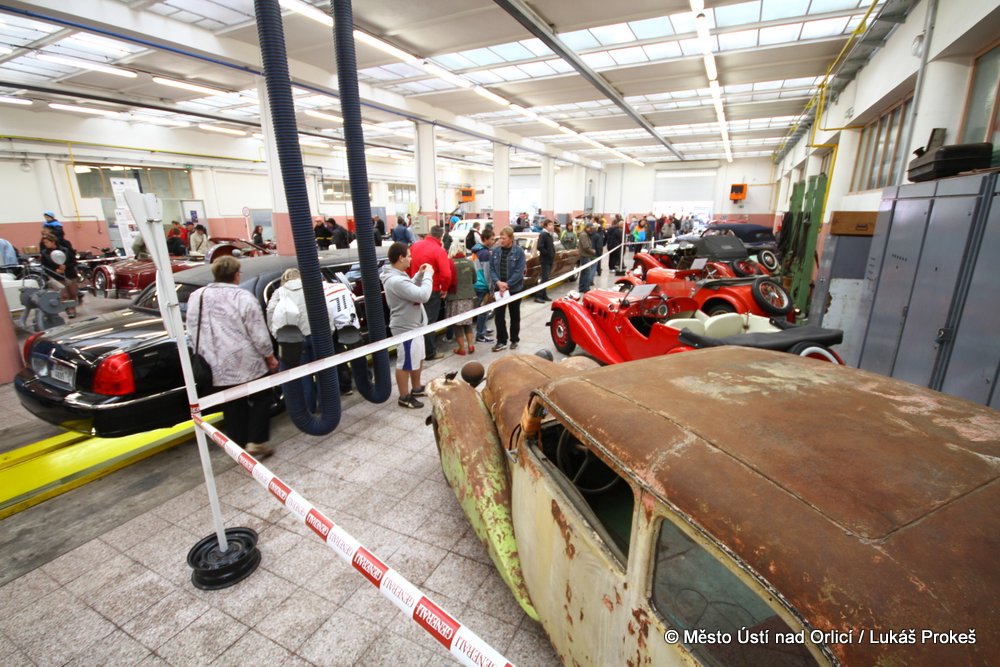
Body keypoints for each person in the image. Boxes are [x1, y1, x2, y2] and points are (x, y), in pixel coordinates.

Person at [188, 256, 278, 458]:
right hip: (247, 361)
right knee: (262, 396)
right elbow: (258, 332)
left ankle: (239, 448)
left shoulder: (197, 296)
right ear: (236, 275)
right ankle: (256, 441)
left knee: (232, 404)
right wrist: (269, 356)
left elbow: (191, 328)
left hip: (215, 364)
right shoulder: (242, 297)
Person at [381, 243, 433, 409]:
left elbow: (409, 287)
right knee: (405, 363)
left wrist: (419, 275)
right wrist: (428, 276)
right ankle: (404, 397)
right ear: (401, 258)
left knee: (417, 357)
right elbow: (423, 295)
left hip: (414, 326)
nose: (411, 259)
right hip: (406, 328)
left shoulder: (398, 276)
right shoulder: (396, 280)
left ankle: (416, 388)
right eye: (409, 256)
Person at [408, 225, 452, 361]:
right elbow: (446, 274)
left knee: (416, 321)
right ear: (441, 237)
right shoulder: (439, 250)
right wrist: (444, 289)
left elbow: (407, 265)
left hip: (413, 288)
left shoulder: (414, 246)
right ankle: (429, 352)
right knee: (429, 322)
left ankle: (417, 350)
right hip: (432, 290)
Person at [490, 226, 526, 352]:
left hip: (514, 289)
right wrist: (498, 283)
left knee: (514, 315)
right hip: (499, 289)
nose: (501, 240)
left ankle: (514, 339)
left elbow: (519, 272)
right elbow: (492, 269)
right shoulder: (495, 251)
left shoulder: (519, 252)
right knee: (499, 316)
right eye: (500, 238)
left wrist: (506, 285)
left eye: (504, 238)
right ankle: (501, 340)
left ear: (511, 239)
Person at [446, 243, 477, 355]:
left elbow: (447, 280)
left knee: (457, 324)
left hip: (455, 297)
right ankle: (471, 345)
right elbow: (474, 279)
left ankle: (461, 348)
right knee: (468, 323)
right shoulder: (469, 262)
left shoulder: (449, 263)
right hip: (468, 297)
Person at [40, 232, 79, 317]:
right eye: (44, 243)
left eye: (47, 242)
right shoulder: (45, 253)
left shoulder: (65, 250)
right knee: (64, 294)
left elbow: (73, 262)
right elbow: (45, 266)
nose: (45, 244)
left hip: (70, 274)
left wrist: (66, 266)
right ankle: (69, 310)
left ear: (53, 242)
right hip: (57, 276)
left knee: (73, 292)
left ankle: (73, 306)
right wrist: (55, 270)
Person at [470, 228, 495, 344]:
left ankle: (483, 328)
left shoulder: (477, 250)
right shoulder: (485, 253)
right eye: (491, 239)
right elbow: (487, 273)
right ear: (485, 239)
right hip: (483, 285)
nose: (493, 241)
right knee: (483, 310)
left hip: (477, 283)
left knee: (482, 309)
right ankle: (480, 334)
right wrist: (491, 289)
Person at [534, 219, 555, 303]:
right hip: (545, 260)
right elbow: (539, 246)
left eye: (552, 224)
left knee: (546, 278)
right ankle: (538, 296)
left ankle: (544, 294)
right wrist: (547, 254)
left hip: (549, 260)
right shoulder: (543, 234)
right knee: (544, 278)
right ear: (546, 226)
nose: (552, 226)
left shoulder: (549, 235)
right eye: (550, 225)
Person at [577, 221, 596, 292]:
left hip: (585, 255)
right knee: (586, 273)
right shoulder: (584, 235)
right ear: (587, 228)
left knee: (584, 272)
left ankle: (582, 287)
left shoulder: (585, 234)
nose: (592, 230)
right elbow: (586, 247)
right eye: (591, 228)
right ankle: (585, 288)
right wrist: (592, 251)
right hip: (585, 256)